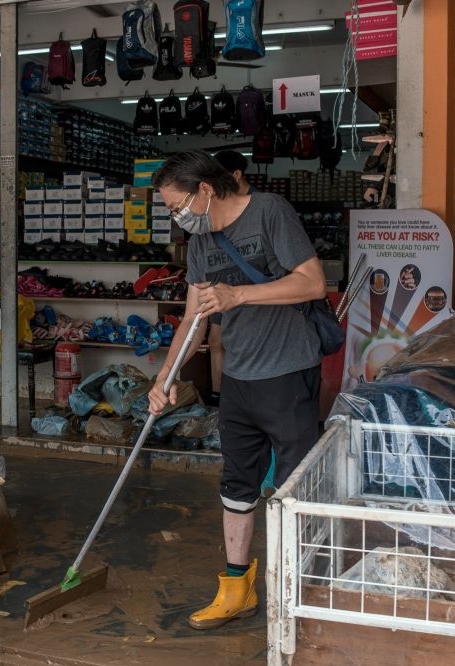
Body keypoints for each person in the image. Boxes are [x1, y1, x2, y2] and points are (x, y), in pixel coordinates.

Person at [149, 151, 326, 630]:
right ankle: (236, 589)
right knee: (237, 485)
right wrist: (163, 380)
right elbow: (193, 320)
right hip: (240, 382)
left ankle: (294, 591)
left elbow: (312, 283)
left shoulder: (269, 211)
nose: (175, 216)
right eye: (168, 210)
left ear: (205, 190)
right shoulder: (201, 241)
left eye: (175, 205)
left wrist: (239, 294)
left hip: (288, 372)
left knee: (290, 491)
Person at [206, 151, 257, 404]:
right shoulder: (216, 208)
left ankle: (243, 399)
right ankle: (219, 396)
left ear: (236, 175)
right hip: (222, 281)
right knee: (215, 340)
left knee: (248, 342)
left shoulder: (263, 206)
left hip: (254, 291)